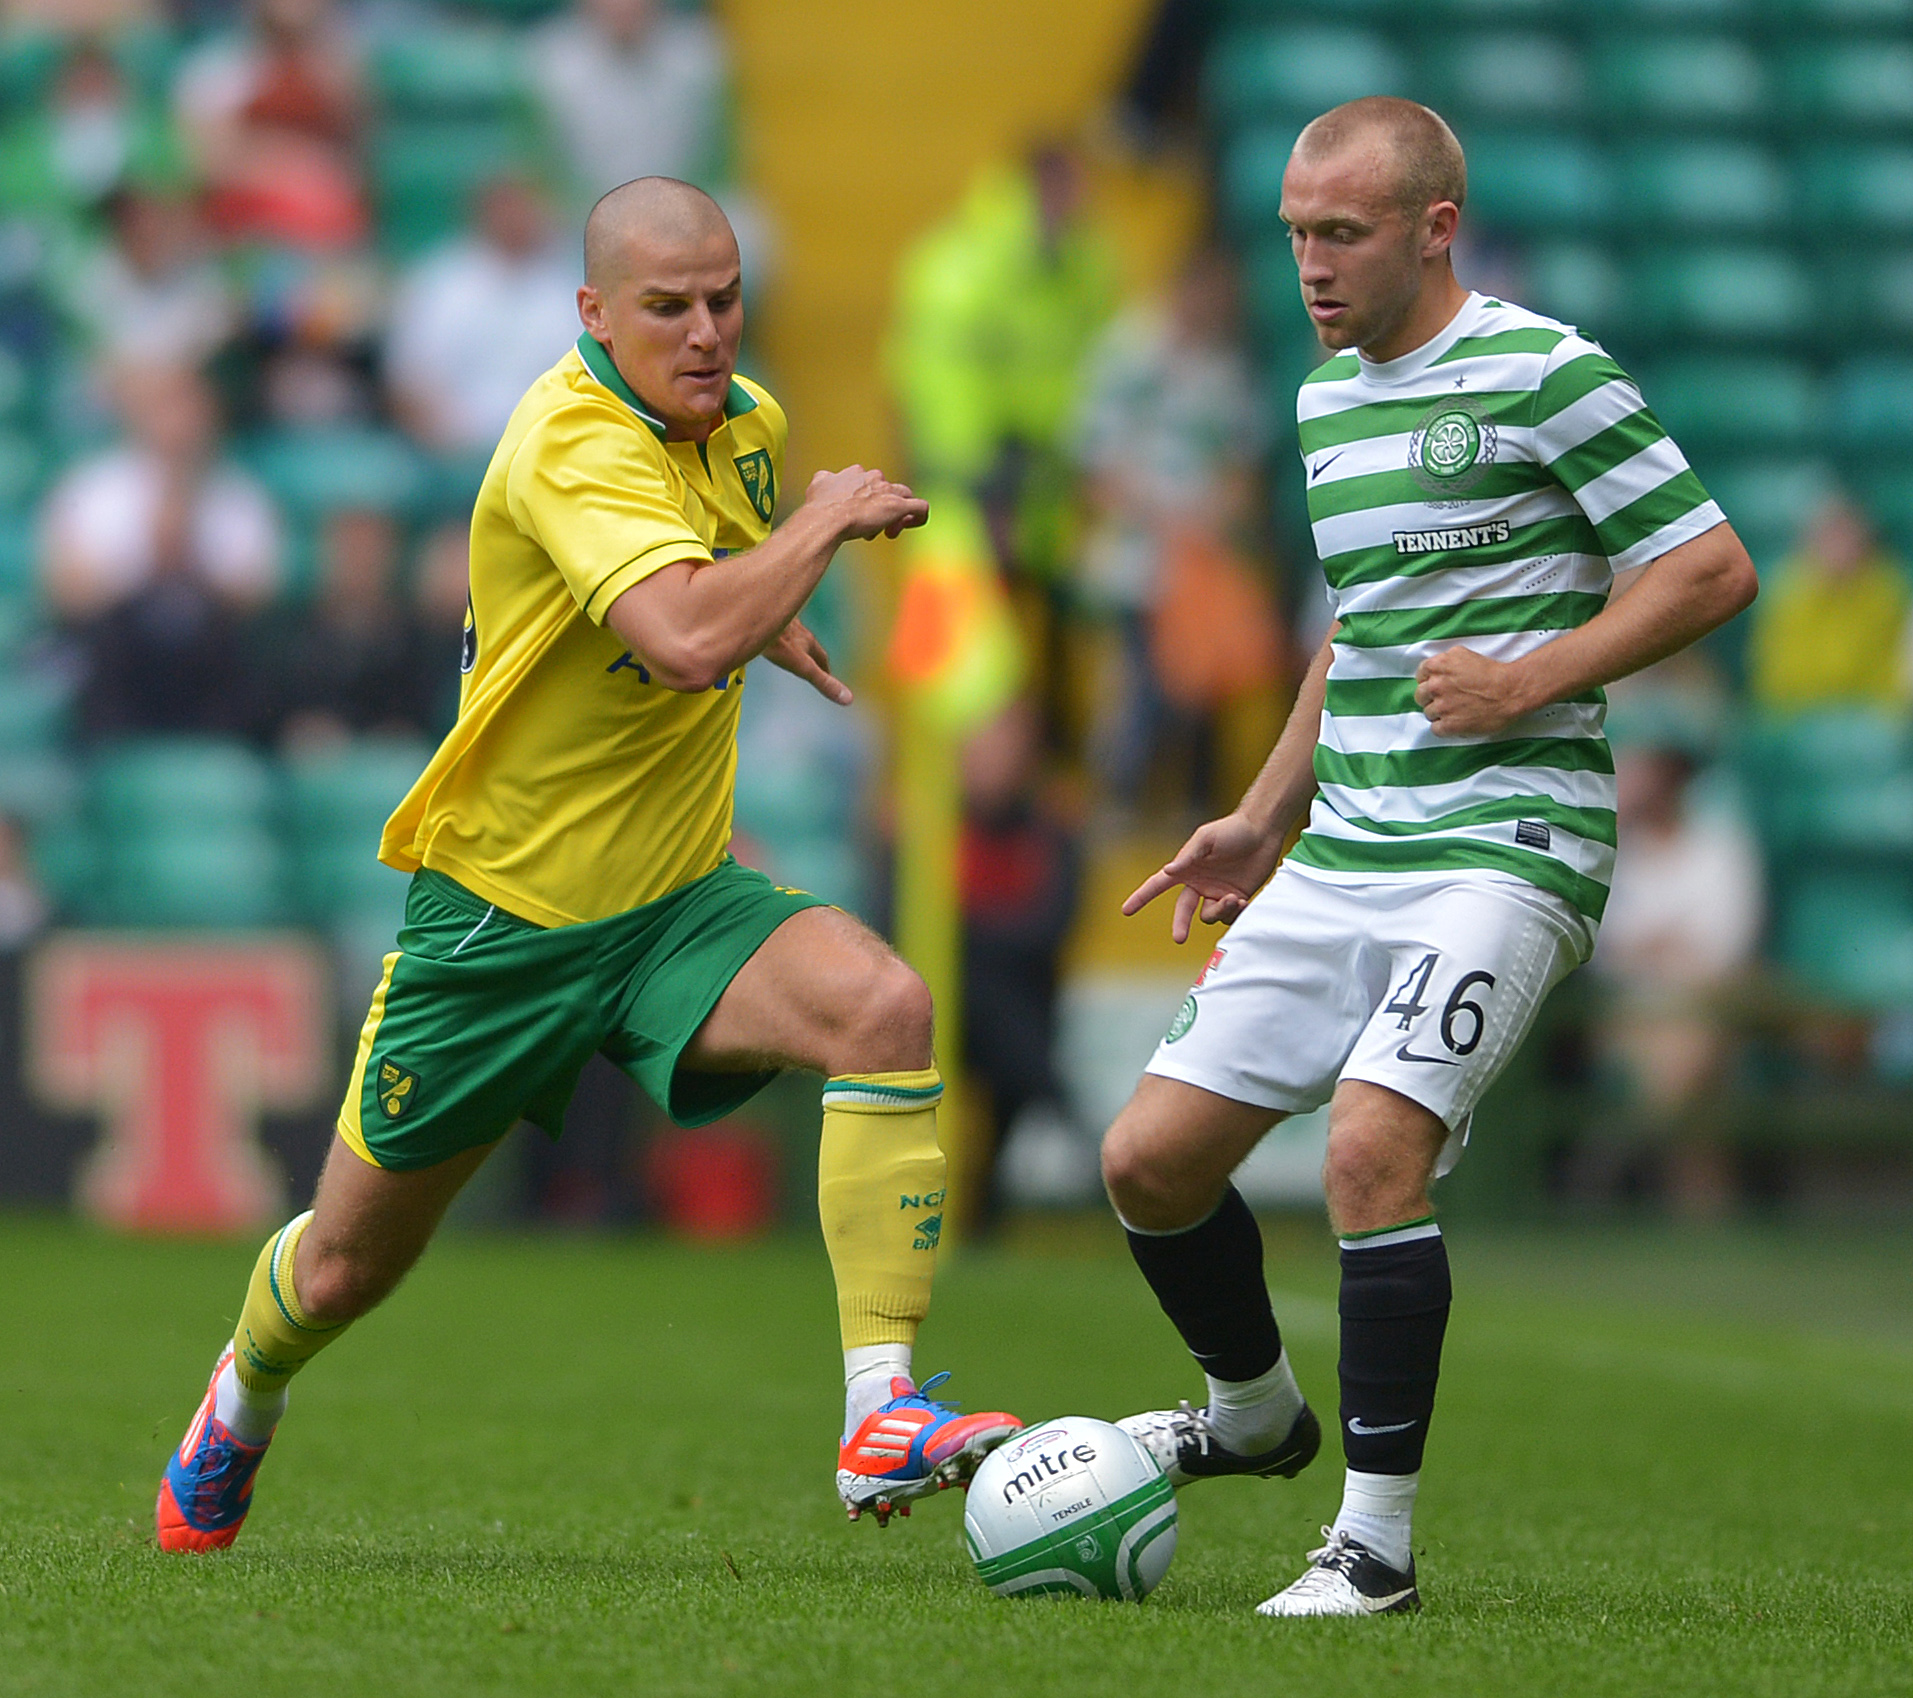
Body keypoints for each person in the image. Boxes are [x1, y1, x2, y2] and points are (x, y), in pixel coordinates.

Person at [155, 176, 1019, 1553]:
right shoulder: (568, 436)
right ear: (594, 313)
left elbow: (704, 573)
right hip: (503, 924)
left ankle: (881, 1412)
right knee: (341, 1268)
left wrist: (768, 603)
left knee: (884, 1008)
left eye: (724, 299)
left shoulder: (744, 426)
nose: (705, 332)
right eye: (666, 307)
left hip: (674, 903)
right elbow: (678, 638)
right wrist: (814, 531)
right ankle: (241, 1395)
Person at [1098, 98, 1757, 1617]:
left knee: (1367, 1152)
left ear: (1433, 229)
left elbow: (1711, 566)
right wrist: (1264, 814)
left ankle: (1372, 1549)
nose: (1310, 266)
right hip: (1347, 840)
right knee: (1147, 1161)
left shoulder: (1547, 370)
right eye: (1295, 235)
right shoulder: (1324, 401)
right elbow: (1362, 630)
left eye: (1341, 233)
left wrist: (1531, 678)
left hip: (1506, 840)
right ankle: (1251, 1416)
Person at [383, 174, 583, 458]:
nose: (516, 218)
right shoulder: (439, 284)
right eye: (507, 207)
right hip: (453, 449)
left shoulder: (567, 288)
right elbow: (409, 382)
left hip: (549, 446)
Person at [1747, 492, 1910, 713]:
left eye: (1847, 537)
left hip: (1870, 713)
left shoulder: (1889, 591)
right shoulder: (1786, 594)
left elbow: (1895, 674)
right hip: (1800, 714)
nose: (1841, 547)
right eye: (1831, 537)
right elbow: (1775, 677)